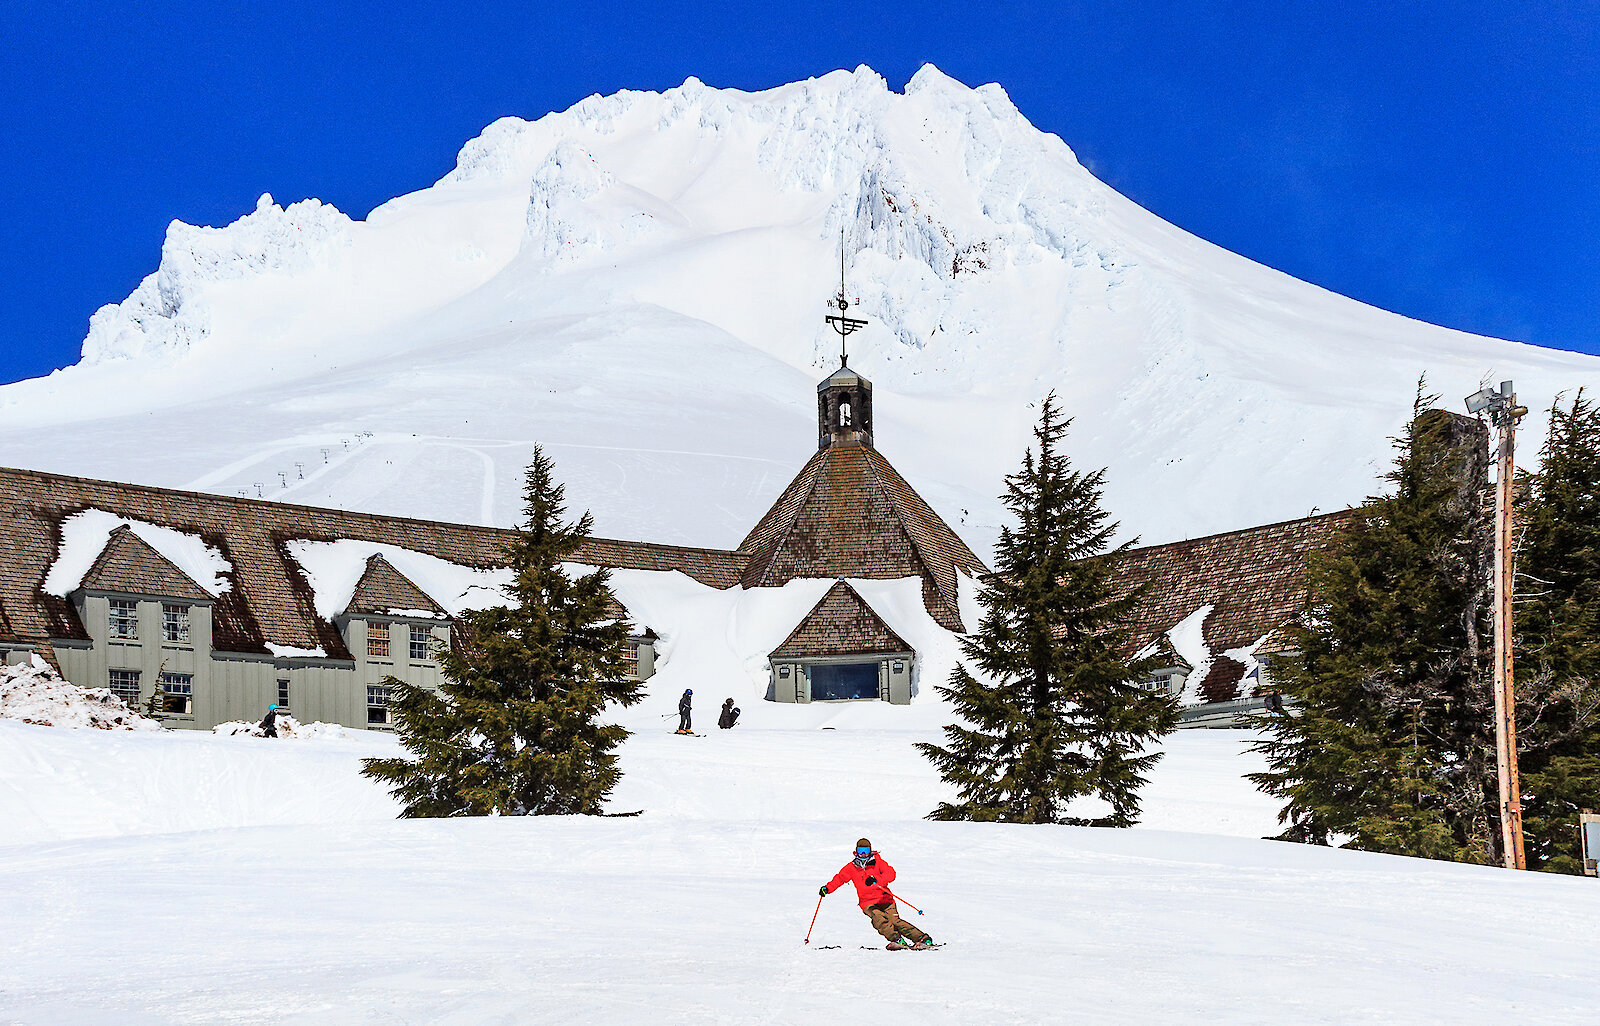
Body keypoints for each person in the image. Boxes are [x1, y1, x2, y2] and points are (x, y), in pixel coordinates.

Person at [819, 838, 934, 949]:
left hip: (885, 899)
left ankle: (923, 939)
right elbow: (839, 879)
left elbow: (891, 874)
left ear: (870, 850)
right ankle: (897, 940)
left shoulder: (878, 862)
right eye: (860, 851)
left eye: (866, 851)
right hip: (868, 903)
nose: (863, 854)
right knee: (878, 918)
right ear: (856, 852)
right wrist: (827, 889)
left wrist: (876, 879)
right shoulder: (852, 867)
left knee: (895, 922)